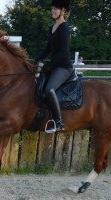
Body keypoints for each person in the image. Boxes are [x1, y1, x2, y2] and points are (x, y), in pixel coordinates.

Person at [33, 0, 73, 133]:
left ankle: (59, 122)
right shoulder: (52, 27)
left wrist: (49, 66)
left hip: (64, 67)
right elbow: (48, 48)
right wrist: (38, 58)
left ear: (63, 11)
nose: (53, 11)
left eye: (56, 9)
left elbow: (63, 53)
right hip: (55, 65)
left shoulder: (64, 28)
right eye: (53, 9)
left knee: (49, 89)